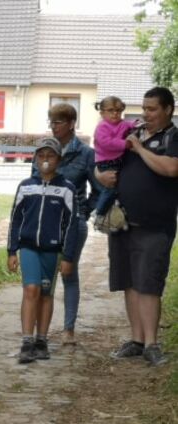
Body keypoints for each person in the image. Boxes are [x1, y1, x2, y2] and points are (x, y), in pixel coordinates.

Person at [96, 87, 178, 366]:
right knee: (129, 282)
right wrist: (100, 174)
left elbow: (170, 168)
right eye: (144, 108)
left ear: (168, 109)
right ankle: (137, 340)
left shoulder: (172, 136)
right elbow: (104, 156)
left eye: (152, 109)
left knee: (149, 284)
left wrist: (140, 148)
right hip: (123, 224)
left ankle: (152, 344)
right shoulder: (133, 131)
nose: (146, 114)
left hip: (155, 225)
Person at [36, 103, 101, 345]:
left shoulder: (85, 154)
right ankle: (39, 329)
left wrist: (83, 212)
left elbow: (99, 189)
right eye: (51, 122)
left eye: (58, 122)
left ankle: (68, 329)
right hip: (46, 223)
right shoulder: (45, 150)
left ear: (71, 123)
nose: (53, 127)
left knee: (68, 274)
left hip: (73, 224)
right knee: (45, 276)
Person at [10, 138, 79, 363]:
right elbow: (15, 220)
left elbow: (71, 226)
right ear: (35, 159)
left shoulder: (67, 189)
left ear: (59, 160)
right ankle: (27, 341)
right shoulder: (25, 186)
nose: (45, 160)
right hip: (29, 248)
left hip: (52, 250)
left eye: (50, 156)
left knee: (46, 295)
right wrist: (12, 251)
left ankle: (42, 339)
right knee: (31, 290)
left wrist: (68, 256)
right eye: (41, 156)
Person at [92, 96, 137, 230]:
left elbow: (130, 124)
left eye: (118, 110)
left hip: (116, 160)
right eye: (110, 110)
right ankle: (98, 212)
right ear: (102, 113)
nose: (115, 113)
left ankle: (117, 218)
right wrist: (125, 144)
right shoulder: (102, 127)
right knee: (111, 188)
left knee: (119, 189)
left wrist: (137, 123)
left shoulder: (121, 123)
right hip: (105, 162)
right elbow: (107, 143)